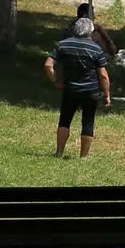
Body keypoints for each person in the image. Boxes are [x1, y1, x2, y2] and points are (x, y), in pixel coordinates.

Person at [44, 15, 110, 157]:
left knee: (65, 120)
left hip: (70, 89)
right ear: (90, 32)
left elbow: (48, 65)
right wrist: (107, 95)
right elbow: (103, 75)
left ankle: (59, 152)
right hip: (90, 91)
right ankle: (83, 156)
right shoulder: (96, 49)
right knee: (88, 122)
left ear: (75, 30)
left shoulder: (63, 45)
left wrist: (56, 81)